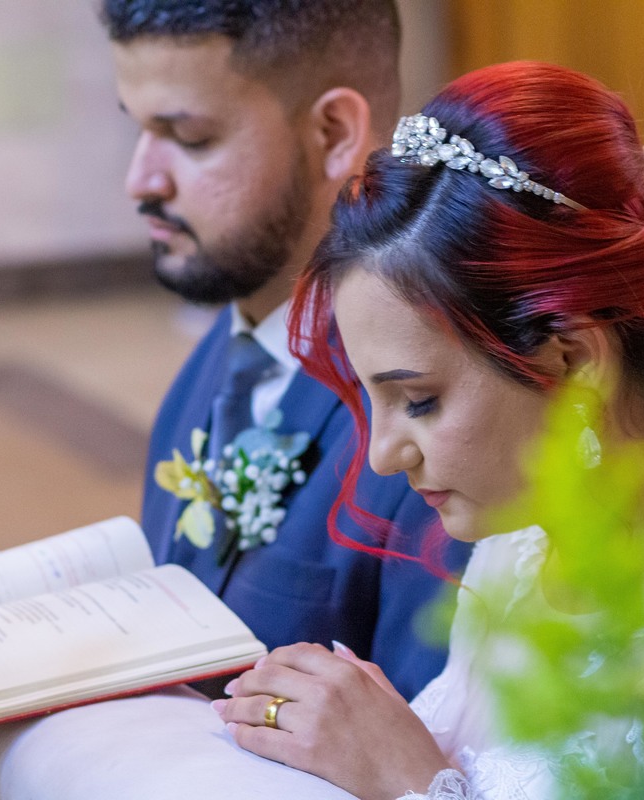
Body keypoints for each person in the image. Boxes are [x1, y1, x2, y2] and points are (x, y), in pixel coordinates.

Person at [211, 61, 644, 799]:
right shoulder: (518, 548)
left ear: (575, 362)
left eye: (418, 400)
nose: (383, 456)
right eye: (373, 399)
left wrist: (415, 781)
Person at [102, 0, 470, 701]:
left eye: (190, 137)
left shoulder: (432, 417)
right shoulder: (230, 341)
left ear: (334, 133)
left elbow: (429, 731)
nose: (142, 180)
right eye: (140, 129)